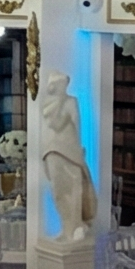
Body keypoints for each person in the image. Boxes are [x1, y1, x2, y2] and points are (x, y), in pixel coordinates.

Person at [37, 73, 96, 239]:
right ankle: (66, 226)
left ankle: (76, 225)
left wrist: (79, 148)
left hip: (69, 150)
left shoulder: (71, 101)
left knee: (74, 186)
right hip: (51, 150)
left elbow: (77, 125)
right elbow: (47, 128)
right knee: (58, 189)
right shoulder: (47, 104)